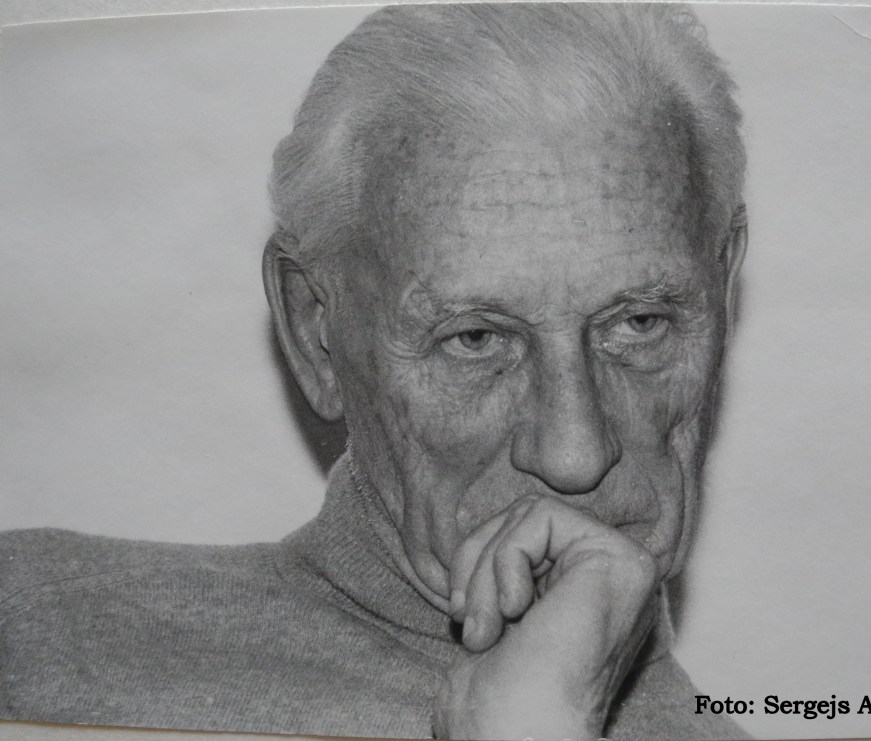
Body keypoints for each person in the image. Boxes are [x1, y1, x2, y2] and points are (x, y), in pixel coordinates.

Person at [0, 4, 749, 739]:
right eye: (476, 338)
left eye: (640, 323)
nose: (575, 454)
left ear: (723, 290)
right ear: (314, 331)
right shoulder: (35, 635)